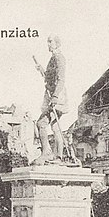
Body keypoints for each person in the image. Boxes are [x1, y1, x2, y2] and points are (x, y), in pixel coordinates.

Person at [33, 35, 68, 164]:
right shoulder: (54, 58)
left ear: (57, 43)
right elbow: (49, 78)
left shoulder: (59, 58)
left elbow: (61, 79)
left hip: (56, 96)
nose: (48, 44)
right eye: (47, 42)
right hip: (53, 95)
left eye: (50, 42)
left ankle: (47, 153)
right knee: (55, 126)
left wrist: (55, 97)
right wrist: (42, 70)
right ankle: (58, 156)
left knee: (41, 123)